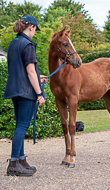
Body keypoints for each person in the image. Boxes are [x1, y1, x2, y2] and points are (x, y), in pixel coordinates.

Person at [3, 15, 48, 176]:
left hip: (15, 89)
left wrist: (38, 75)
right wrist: (39, 93)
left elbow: (21, 69)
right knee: (22, 126)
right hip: (26, 91)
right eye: (36, 29)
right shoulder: (28, 45)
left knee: (19, 126)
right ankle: (13, 165)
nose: (35, 32)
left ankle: (21, 160)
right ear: (31, 27)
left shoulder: (13, 43)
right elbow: (29, 71)